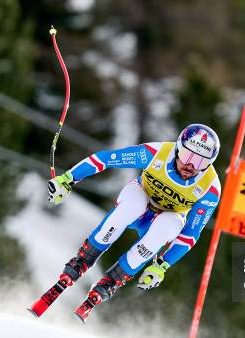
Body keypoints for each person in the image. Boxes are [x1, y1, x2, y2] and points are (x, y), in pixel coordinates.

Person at [47, 124, 222, 322]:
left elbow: (191, 233)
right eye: (188, 156)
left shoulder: (211, 188)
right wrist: (68, 179)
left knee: (170, 224)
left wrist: (162, 265)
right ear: (178, 148)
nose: (191, 166)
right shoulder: (157, 153)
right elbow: (106, 159)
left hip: (165, 219)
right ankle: (82, 261)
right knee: (133, 204)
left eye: (200, 162)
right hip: (141, 199)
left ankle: (111, 281)